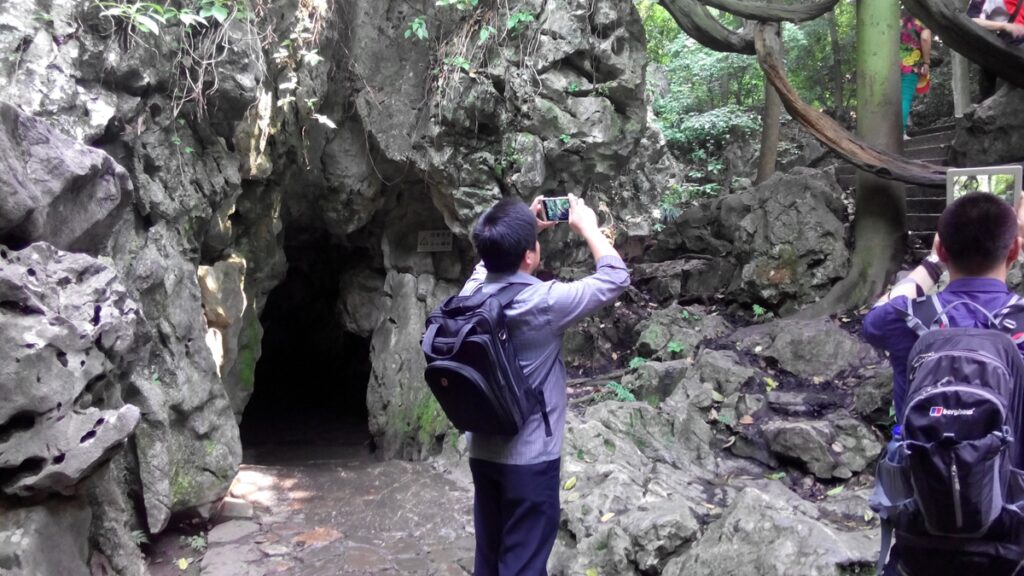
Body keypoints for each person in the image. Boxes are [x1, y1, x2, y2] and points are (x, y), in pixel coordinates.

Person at [461, 194, 630, 575]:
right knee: (523, 565)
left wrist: (524, 229)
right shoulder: (544, 302)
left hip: (482, 449)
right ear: (530, 257)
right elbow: (616, 276)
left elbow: (484, 267)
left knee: (488, 558)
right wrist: (587, 226)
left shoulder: (470, 296)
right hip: (531, 458)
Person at [862, 192, 1024, 574]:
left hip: (922, 528)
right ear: (1014, 250)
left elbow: (873, 319)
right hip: (1008, 533)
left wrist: (933, 263)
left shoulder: (908, 318)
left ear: (942, 248)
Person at [899, 9, 932, 137]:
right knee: (905, 98)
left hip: (890, 66)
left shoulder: (898, 19)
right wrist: (926, 62)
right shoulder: (923, 19)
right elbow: (925, 38)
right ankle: (900, 133)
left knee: (892, 99)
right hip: (910, 66)